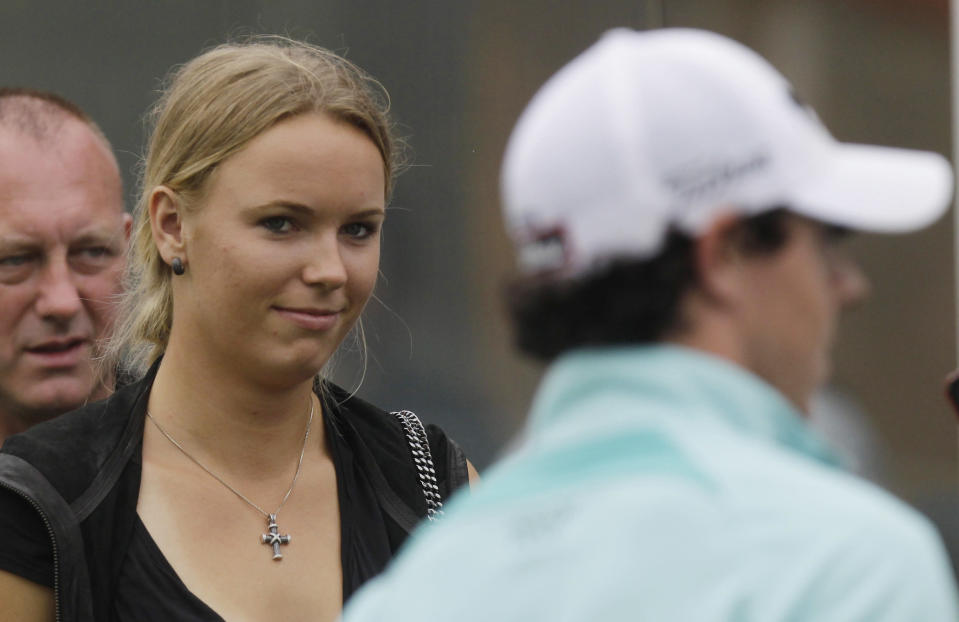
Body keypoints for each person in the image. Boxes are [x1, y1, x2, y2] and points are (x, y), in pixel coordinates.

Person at [341, 28, 959, 621]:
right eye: (826, 242)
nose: (849, 285)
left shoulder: (414, 591)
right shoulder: (847, 567)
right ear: (724, 255)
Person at [0, 37, 473, 621]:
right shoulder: (45, 502)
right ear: (172, 225)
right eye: (281, 223)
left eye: (357, 230)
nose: (328, 271)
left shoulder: (427, 480)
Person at [0, 89, 130, 443]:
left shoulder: (215, 476)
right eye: (15, 260)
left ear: (129, 247)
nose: (62, 302)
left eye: (91, 252)